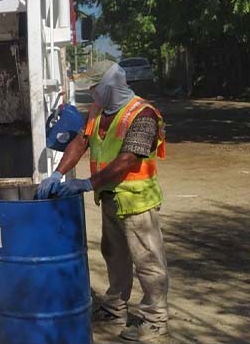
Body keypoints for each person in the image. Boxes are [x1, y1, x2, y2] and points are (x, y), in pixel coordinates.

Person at [35, 60, 170, 341]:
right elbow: (81, 142)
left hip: (137, 201)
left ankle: (155, 321)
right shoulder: (98, 110)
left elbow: (128, 159)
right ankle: (114, 308)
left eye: (96, 88)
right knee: (114, 255)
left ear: (110, 85)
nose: (92, 94)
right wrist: (58, 174)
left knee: (148, 261)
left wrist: (87, 183)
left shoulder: (142, 114)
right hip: (109, 198)